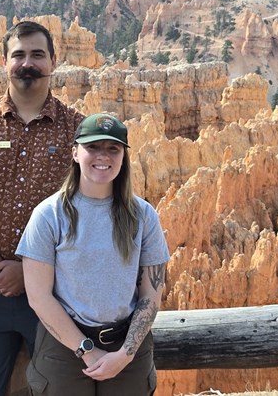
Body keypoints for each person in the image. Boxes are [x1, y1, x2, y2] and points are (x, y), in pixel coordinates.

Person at [0, 20, 85, 395]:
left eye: (37, 54)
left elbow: (87, 209)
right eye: (18, 55)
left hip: (54, 293)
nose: (28, 63)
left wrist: (27, 271)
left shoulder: (77, 129)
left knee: (57, 387)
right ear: (4, 62)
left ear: (54, 60)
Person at [16, 113, 170, 395]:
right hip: (64, 346)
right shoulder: (49, 215)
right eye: (93, 147)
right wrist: (86, 349)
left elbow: (152, 293)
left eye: (113, 149)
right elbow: (39, 296)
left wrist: (125, 353)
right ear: (75, 153)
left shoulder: (143, 216)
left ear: (123, 156)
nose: (103, 156)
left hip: (127, 344)